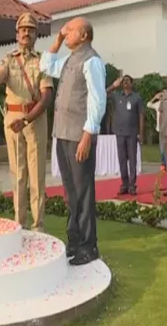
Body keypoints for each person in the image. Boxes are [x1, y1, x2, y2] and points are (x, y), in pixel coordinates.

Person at [39, 17, 107, 266]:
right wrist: (56, 40)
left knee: (83, 192)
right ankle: (75, 241)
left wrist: (88, 134)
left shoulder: (92, 61)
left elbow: (98, 101)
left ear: (85, 35)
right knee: (71, 193)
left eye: (71, 30)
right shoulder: (69, 60)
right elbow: (46, 66)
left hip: (79, 136)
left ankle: (89, 246)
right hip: (63, 134)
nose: (66, 33)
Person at [0, 13, 54, 232]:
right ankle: (19, 223)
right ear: (17, 34)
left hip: (35, 118)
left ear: (36, 35)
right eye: (23, 29)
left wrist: (27, 119)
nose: (27, 33)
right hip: (12, 119)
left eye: (31, 30)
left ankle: (38, 224)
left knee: (37, 173)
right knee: (18, 173)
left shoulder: (42, 61)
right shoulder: (9, 59)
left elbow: (47, 96)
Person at [106, 75, 145, 195]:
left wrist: (141, 133)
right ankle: (124, 184)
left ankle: (132, 185)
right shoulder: (117, 95)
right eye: (124, 81)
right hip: (120, 133)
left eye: (128, 81)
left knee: (132, 160)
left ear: (132, 84)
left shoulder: (136, 97)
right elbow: (103, 94)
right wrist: (113, 85)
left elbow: (141, 115)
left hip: (132, 133)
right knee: (122, 160)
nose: (125, 82)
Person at [147, 90, 167, 174]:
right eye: (162, 94)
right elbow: (148, 104)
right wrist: (155, 97)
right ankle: (163, 164)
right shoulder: (158, 104)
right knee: (162, 149)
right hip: (161, 130)